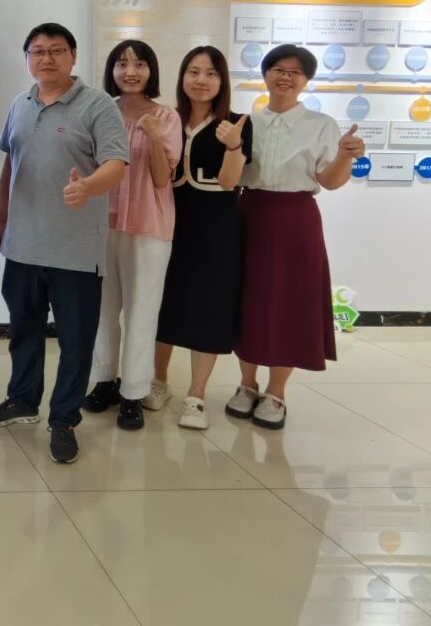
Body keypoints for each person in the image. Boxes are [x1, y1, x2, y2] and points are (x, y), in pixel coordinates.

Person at [0, 23, 128, 465]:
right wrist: (2, 220)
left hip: (76, 250)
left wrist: (88, 187)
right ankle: (22, 400)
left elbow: (116, 163)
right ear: (27, 58)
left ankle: (64, 420)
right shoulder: (20, 104)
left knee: (75, 342)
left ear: (73, 56)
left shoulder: (98, 104)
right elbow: (11, 167)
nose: (46, 58)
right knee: (24, 330)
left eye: (56, 50)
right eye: (37, 51)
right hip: (22, 244)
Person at [226, 43, 364, 430]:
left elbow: (330, 181)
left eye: (295, 72)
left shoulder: (321, 125)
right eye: (278, 69)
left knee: (289, 303)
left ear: (306, 80)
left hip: (296, 219)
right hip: (250, 213)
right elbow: (233, 175)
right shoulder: (247, 122)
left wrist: (345, 156)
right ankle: (247, 384)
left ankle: (276, 392)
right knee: (247, 299)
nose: (285, 77)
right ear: (265, 74)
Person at [84, 40, 182, 430]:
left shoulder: (166, 116)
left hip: (149, 227)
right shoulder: (99, 111)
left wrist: (154, 136)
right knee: (103, 311)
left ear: (150, 70)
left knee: (142, 311)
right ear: (111, 70)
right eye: (122, 64)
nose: (130, 71)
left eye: (139, 64)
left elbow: (162, 178)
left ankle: (134, 392)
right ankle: (104, 381)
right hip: (101, 225)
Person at [153, 46, 251, 430]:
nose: (201, 80)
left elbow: (229, 182)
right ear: (182, 77)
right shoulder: (167, 119)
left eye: (211, 73)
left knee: (209, 306)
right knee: (163, 301)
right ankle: (158, 381)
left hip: (217, 227)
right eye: (193, 71)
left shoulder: (238, 123)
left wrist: (234, 145)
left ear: (222, 80)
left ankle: (196, 394)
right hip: (169, 221)